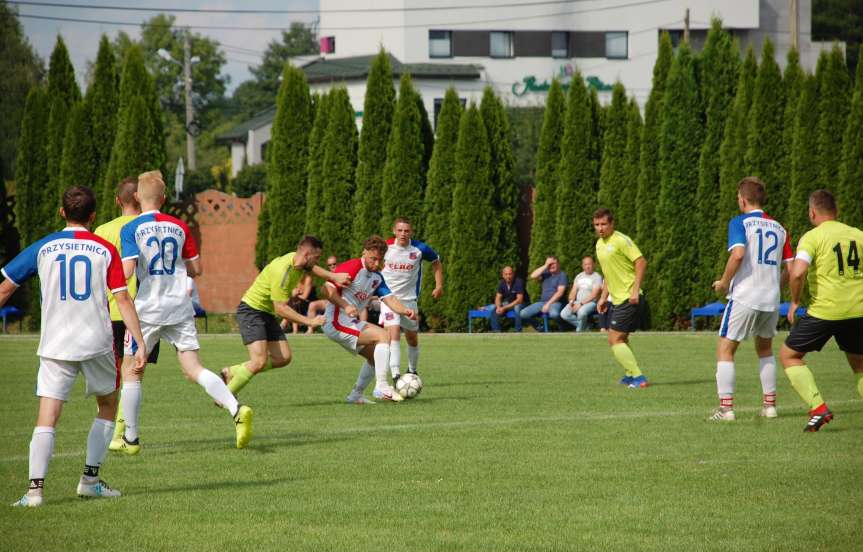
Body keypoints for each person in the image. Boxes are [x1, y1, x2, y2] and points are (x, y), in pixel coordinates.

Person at [0, 186, 147, 507]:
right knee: (108, 405)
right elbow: (122, 298)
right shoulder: (105, 249)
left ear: (62, 212)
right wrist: (139, 341)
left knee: (47, 416)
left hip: (55, 342)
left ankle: (35, 491)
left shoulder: (43, 247)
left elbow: (5, 289)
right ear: (93, 216)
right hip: (96, 341)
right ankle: (90, 481)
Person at [116, 170, 252, 452]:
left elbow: (128, 270)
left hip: (148, 308)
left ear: (137, 197)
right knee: (194, 367)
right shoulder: (179, 226)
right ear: (164, 199)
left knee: (132, 369)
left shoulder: (130, 228)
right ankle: (235, 408)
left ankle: (131, 437)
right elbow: (196, 269)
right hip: (179, 305)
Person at [221, 236, 350, 396]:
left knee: (283, 358)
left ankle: (231, 372)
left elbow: (313, 268)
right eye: (316, 257)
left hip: (265, 313)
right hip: (251, 311)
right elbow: (281, 309)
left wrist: (334, 277)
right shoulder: (283, 272)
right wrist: (309, 321)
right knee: (259, 361)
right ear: (307, 255)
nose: (318, 261)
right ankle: (225, 396)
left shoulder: (297, 259)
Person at [709, 177, 793, 421]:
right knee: (765, 349)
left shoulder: (740, 222)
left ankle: (726, 409)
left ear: (743, 199)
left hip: (745, 295)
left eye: (738, 198)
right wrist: (774, 286)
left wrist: (724, 283)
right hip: (771, 298)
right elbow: (791, 268)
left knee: (726, 348)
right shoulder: (780, 228)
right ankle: (770, 406)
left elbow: (738, 255)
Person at [779, 189, 863, 432]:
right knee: (859, 365)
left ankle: (818, 408)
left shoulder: (813, 237)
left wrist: (795, 302)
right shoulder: (858, 235)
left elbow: (797, 271)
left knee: (789, 355)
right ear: (836, 212)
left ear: (812, 212)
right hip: (858, 311)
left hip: (825, 311)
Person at [93, 176, 160, 450]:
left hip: (109, 309)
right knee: (135, 373)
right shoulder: (147, 229)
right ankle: (122, 433)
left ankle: (114, 432)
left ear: (117, 201)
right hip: (140, 311)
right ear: (139, 198)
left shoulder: (103, 230)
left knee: (115, 374)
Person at [322, 235, 417, 403]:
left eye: (379, 260)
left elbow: (390, 299)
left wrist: (405, 311)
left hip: (349, 322)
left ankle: (355, 395)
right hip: (335, 322)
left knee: (375, 357)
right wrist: (345, 305)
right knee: (383, 336)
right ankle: (382, 386)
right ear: (364, 252)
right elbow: (326, 290)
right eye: (373, 259)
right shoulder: (352, 267)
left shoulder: (376, 277)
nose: (376, 263)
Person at [380, 217, 443, 382]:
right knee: (393, 333)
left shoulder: (419, 249)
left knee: (412, 338)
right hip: (388, 299)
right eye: (399, 230)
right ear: (394, 230)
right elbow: (367, 259)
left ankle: (412, 371)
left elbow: (436, 261)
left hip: (409, 300)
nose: (403, 234)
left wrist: (439, 286)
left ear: (411, 232)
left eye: (406, 231)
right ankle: (395, 375)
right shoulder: (385, 247)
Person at [593, 208, 649, 388]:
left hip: (629, 297)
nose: (600, 228)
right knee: (622, 338)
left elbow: (641, 261)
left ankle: (639, 378)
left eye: (603, 224)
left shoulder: (621, 240)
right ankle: (630, 374)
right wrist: (603, 297)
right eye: (597, 225)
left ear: (612, 224)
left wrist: (635, 290)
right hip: (617, 300)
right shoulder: (599, 245)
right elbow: (608, 274)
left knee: (614, 338)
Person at [518, 256, 567, 330]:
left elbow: (560, 293)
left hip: (556, 302)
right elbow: (533, 276)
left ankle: (563, 327)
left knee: (554, 314)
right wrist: (545, 265)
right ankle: (541, 328)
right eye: (549, 264)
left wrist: (548, 304)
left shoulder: (562, 275)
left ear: (558, 264)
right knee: (523, 314)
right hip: (542, 303)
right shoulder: (545, 274)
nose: (551, 266)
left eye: (553, 263)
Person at [560, 256, 603, 332]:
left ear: (594, 265)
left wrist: (580, 304)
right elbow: (573, 291)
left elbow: (594, 294)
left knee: (581, 312)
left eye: (589, 264)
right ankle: (585, 327)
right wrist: (571, 302)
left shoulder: (597, 277)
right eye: (585, 264)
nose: (587, 266)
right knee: (564, 314)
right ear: (583, 266)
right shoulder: (579, 276)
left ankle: (579, 331)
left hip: (591, 302)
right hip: (577, 302)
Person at [485, 266, 526, 332]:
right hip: (510, 303)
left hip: (523, 303)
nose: (508, 276)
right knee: (495, 310)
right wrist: (498, 307)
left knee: (517, 308)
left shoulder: (519, 282)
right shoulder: (502, 283)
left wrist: (504, 308)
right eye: (506, 274)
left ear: (513, 274)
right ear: (503, 275)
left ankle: (518, 331)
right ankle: (496, 332)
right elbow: (498, 298)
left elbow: (519, 300)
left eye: (510, 274)